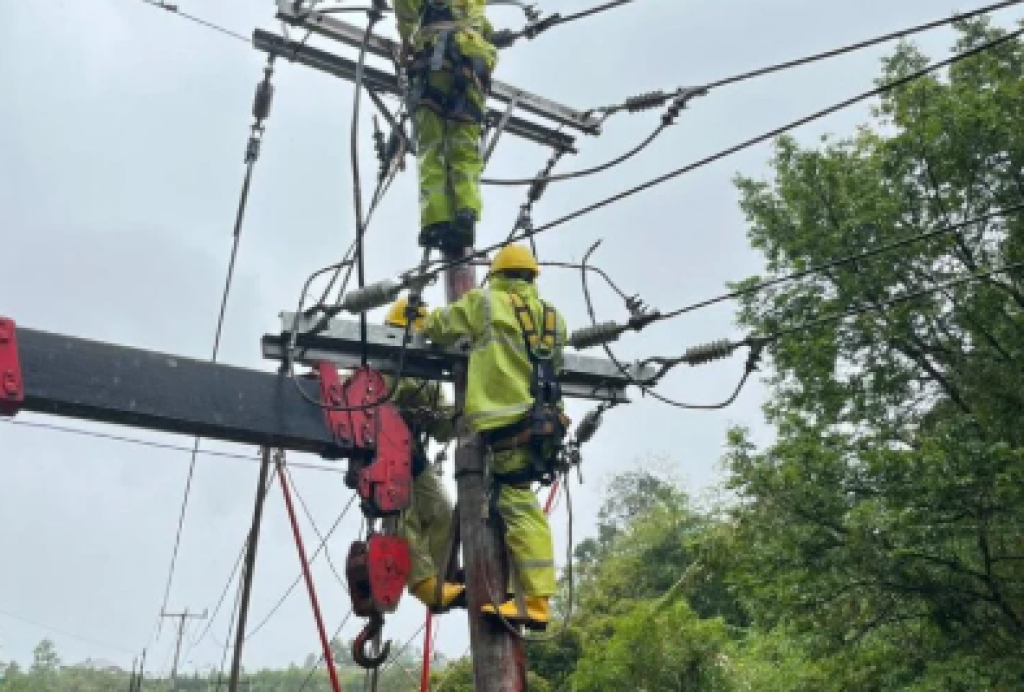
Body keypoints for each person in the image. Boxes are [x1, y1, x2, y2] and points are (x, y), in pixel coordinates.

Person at [421, 243, 568, 630]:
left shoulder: (485, 303)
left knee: (518, 503)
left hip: (507, 424)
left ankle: (535, 600)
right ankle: (524, 594)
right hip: (544, 426)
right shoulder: (553, 318)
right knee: (513, 499)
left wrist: (420, 320)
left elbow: (440, 328)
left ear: (498, 275)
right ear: (532, 277)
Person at [394, 0, 498, 254]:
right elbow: (486, 32)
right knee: (464, 150)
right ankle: (466, 213)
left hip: (433, 66)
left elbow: (405, 10)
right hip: (470, 69)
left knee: (432, 148)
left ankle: (435, 221)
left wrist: (407, 42)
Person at [384, 296, 466, 612]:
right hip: (382, 455)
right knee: (405, 516)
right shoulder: (382, 366)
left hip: (413, 455)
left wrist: (464, 415)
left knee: (444, 510)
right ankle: (423, 582)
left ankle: (443, 574)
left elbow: (444, 428)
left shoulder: (428, 379)